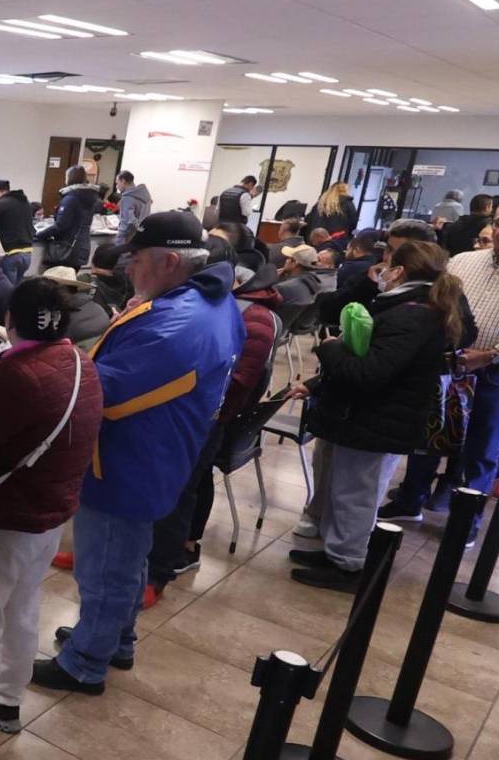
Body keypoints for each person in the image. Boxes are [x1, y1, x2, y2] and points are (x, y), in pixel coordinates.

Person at [33, 212, 243, 695]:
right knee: (128, 556)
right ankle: (115, 638)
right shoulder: (210, 301)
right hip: (161, 450)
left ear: (170, 261)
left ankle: (85, 662)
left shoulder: (175, 323)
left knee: (104, 563)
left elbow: (104, 391)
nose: (129, 269)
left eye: (137, 260)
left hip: (128, 456)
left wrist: (42, 365)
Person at [0, 279, 101, 759]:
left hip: (2, 521)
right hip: (49, 516)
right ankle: (7, 702)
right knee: (21, 607)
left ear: (10, 322)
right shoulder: (82, 363)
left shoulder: (13, 379)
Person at [381, 196, 499, 533]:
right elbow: (435, 304)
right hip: (448, 367)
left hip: (496, 372)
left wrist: (490, 355)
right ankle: (410, 502)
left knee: (482, 450)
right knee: (427, 439)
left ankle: (466, 522)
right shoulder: (464, 262)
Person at [289, 240, 463, 591]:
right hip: (366, 416)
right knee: (344, 489)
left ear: (399, 271)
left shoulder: (411, 315)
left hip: (377, 419)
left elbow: (369, 372)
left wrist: (331, 350)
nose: (381, 270)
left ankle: (348, 564)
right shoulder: (409, 308)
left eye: (387, 264)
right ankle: (337, 550)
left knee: (356, 493)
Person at [147, 262, 276, 603]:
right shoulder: (234, 310)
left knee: (180, 491)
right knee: (189, 486)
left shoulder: (249, 317)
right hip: (201, 417)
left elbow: (237, 381)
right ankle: (176, 553)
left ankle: (160, 569)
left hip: (205, 420)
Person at [35, 166, 101, 270]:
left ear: (70, 178)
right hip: (81, 245)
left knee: (57, 280)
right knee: (71, 281)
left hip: (66, 247)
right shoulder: (91, 198)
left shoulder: (71, 198)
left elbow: (61, 224)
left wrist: (40, 235)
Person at [0, 180, 36, 280]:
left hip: (10, 254)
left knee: (6, 291)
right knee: (16, 291)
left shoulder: (2, 203)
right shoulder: (25, 203)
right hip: (27, 254)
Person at [115, 172, 151, 242]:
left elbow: (128, 222)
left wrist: (119, 239)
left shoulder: (128, 197)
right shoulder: (145, 195)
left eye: (117, 183)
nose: (117, 186)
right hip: (140, 235)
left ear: (123, 181)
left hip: (127, 239)